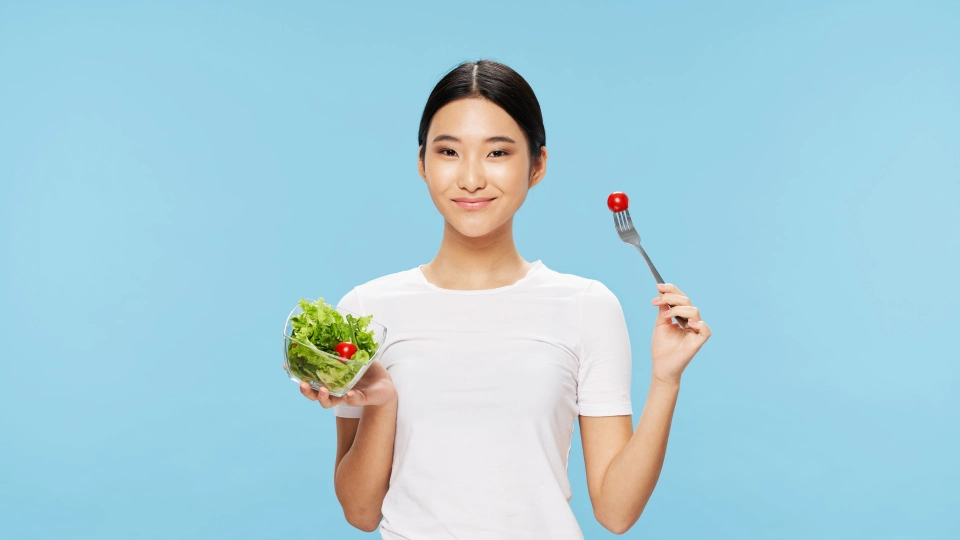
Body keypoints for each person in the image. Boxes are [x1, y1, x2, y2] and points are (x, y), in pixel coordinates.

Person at [290, 59, 712, 539]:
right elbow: (360, 513)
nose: (471, 178)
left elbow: (616, 512)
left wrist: (665, 380)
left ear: (537, 165)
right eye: (448, 151)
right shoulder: (368, 309)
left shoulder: (586, 306)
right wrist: (382, 402)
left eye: (497, 153)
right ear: (422, 163)